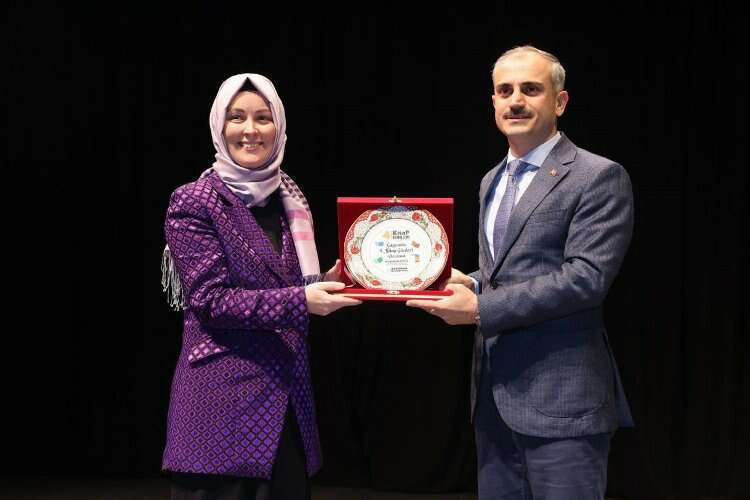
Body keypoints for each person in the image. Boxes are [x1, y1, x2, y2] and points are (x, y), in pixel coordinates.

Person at [407, 46, 634, 499]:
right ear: (493, 102)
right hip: (492, 403)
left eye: (531, 89)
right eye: (505, 90)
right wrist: (470, 281)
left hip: (563, 403)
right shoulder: (491, 179)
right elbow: (505, 270)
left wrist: (480, 309)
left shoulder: (598, 176)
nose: (516, 101)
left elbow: (585, 278)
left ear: (560, 102)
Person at [160, 73, 360, 500]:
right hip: (220, 409)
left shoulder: (290, 199)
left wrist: (327, 283)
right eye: (237, 117)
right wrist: (302, 300)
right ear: (219, 125)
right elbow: (211, 301)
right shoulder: (194, 201)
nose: (250, 130)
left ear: (279, 127)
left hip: (287, 408)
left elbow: (290, 286)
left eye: (263, 118)